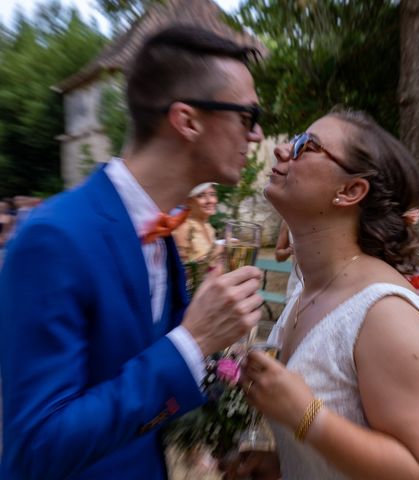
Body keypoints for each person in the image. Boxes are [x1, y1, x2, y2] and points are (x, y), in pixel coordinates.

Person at [0, 25, 265, 479]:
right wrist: (192, 342)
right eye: (247, 115)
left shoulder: (161, 233)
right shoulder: (53, 238)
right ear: (187, 121)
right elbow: (35, 448)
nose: (257, 134)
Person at [229, 110, 419, 480]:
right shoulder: (309, 290)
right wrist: (286, 465)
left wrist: (305, 416)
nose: (280, 150)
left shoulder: (387, 315)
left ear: (350, 191)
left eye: (305, 146)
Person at [173, 182, 219, 263]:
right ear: (187, 201)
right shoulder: (184, 227)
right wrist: (218, 251)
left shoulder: (208, 227)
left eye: (212, 194)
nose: (209, 200)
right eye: (200, 196)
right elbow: (181, 269)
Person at [274, 220, 301, 301]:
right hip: (295, 284)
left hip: (327, 288)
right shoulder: (287, 220)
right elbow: (278, 256)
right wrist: (289, 250)